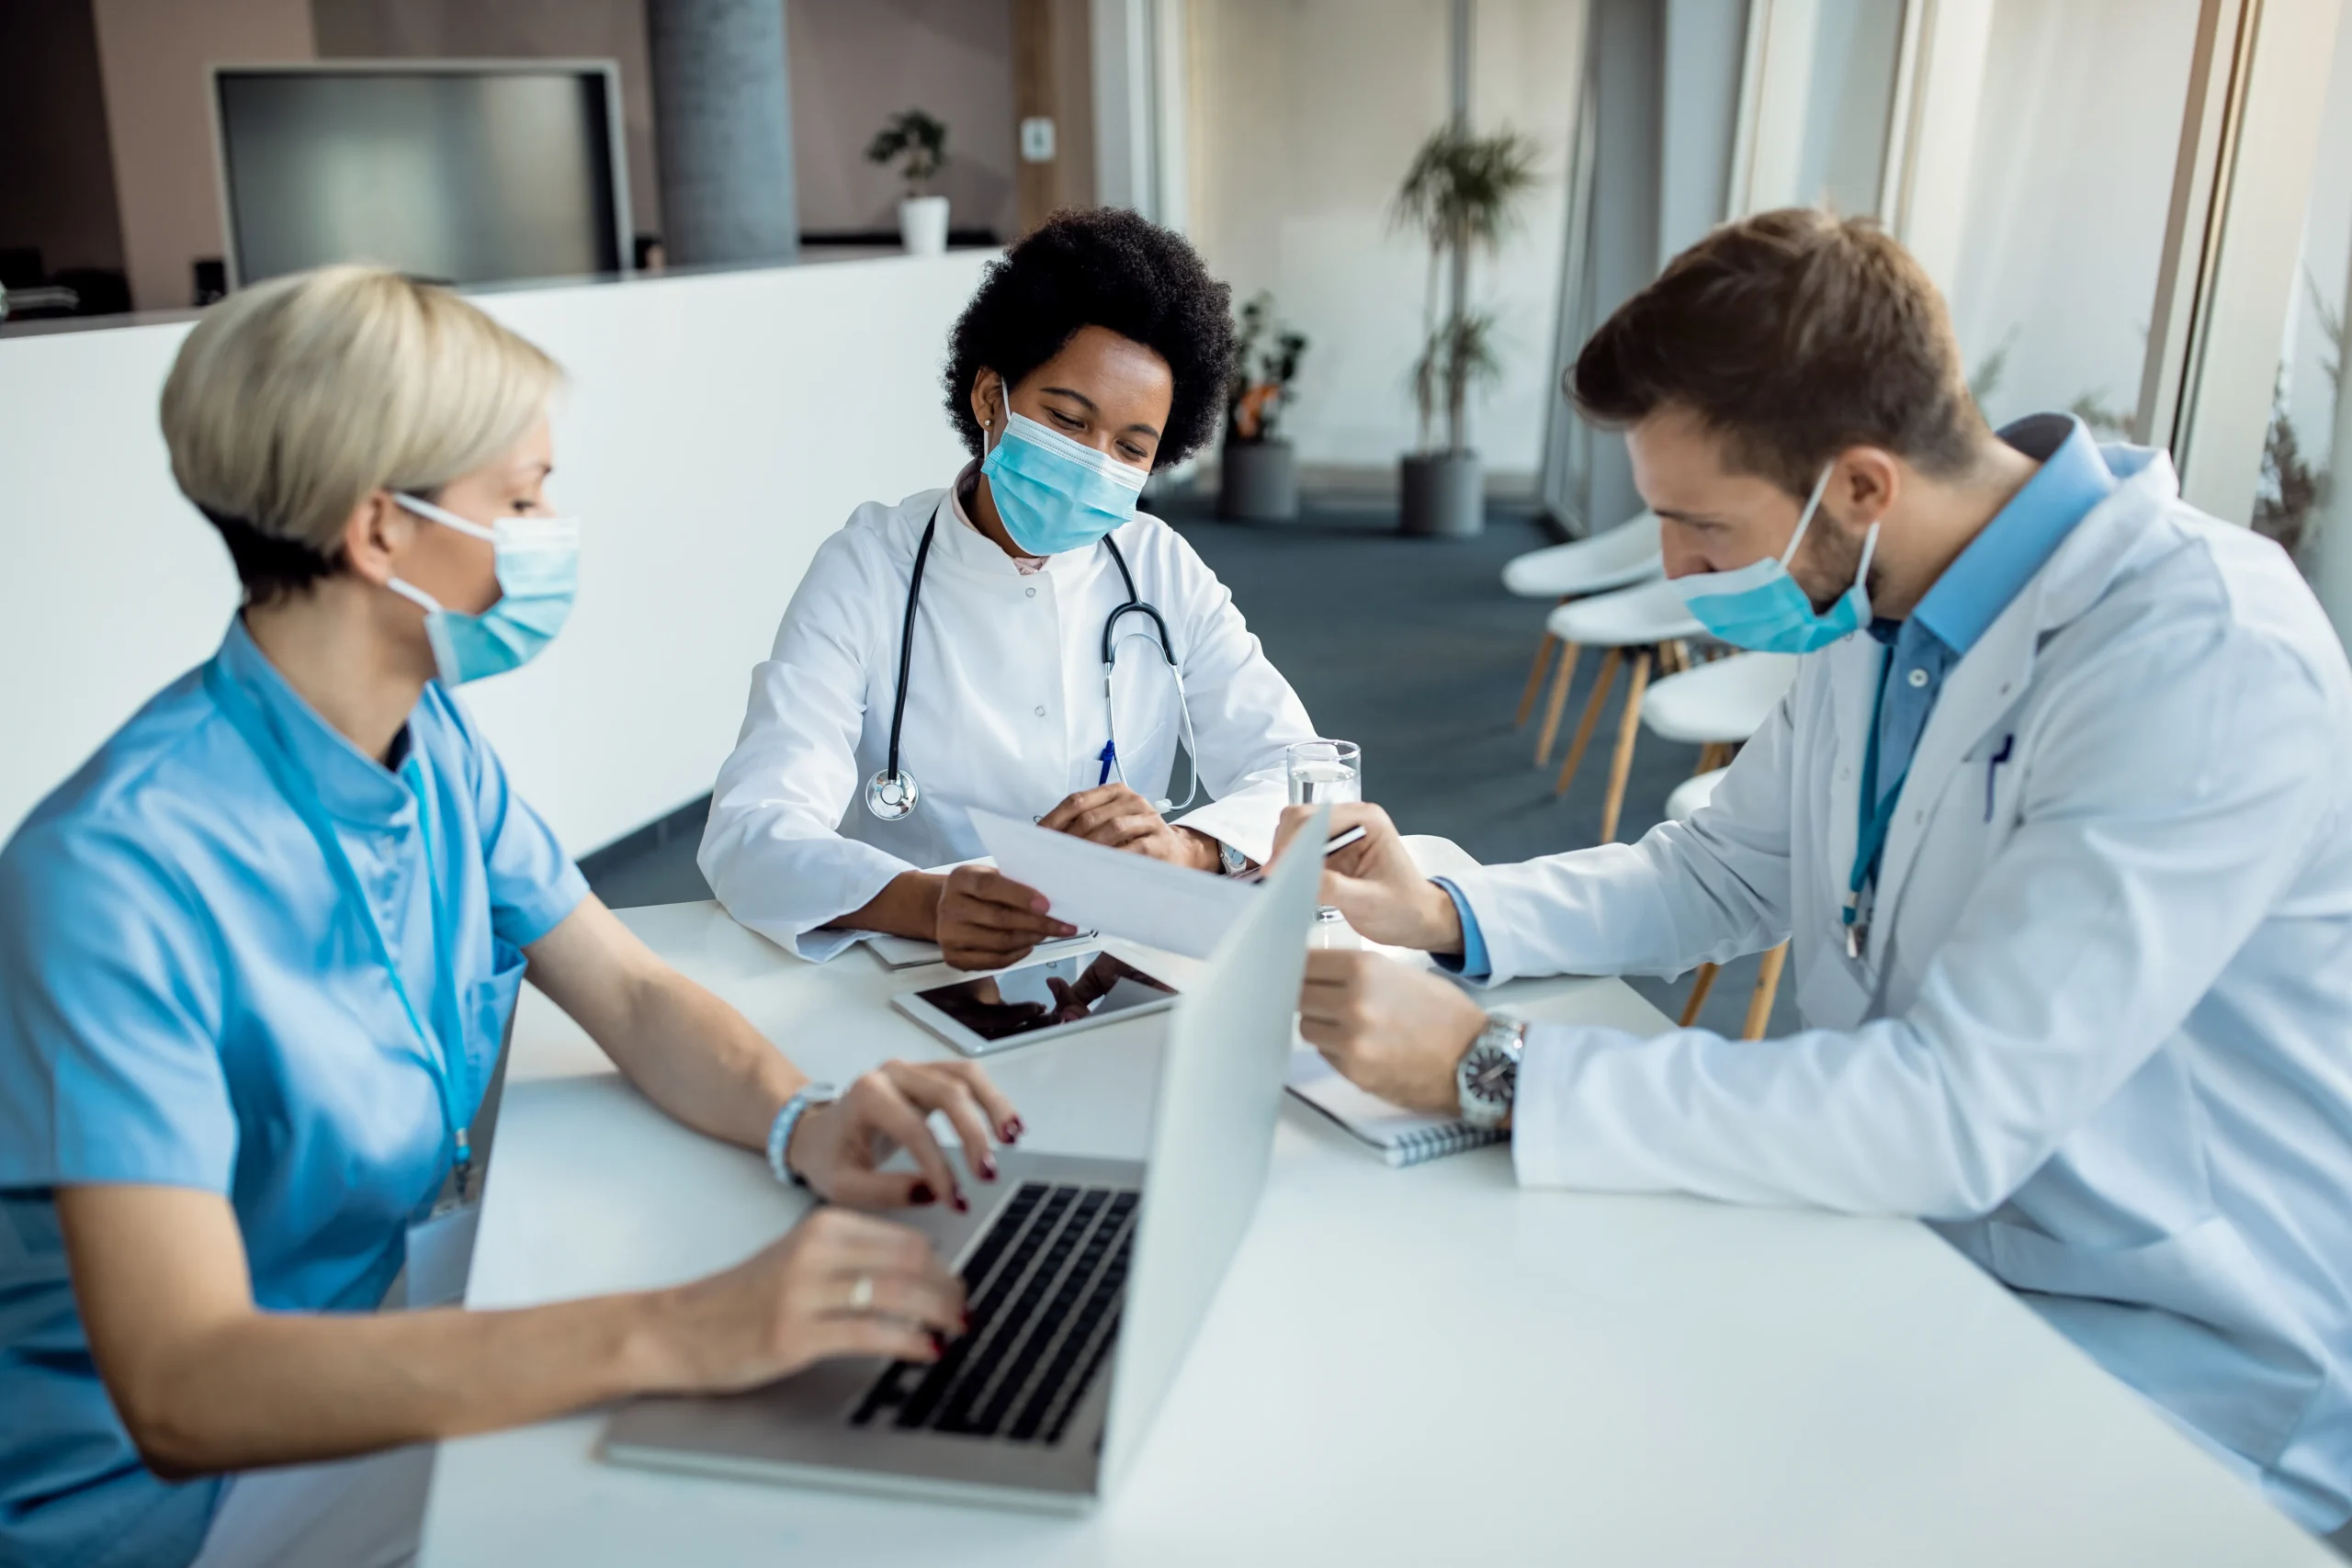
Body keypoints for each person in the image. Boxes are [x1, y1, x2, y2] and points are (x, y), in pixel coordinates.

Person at [1280, 209, 2352, 1537]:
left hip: (2165, 1346)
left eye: (1700, 527)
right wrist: (1444, 907)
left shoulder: (2201, 654)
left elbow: (1956, 1107)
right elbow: (1730, 866)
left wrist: (1490, 1068)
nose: (1676, 571)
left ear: (1859, 484)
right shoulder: (1882, 600)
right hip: (1923, 1241)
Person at [0, 266, 1020, 1568]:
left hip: (375, 1314)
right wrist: (674, 1328)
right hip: (163, 1497)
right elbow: (186, 1385)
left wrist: (802, 1116)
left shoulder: (426, 743)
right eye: (523, 497)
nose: (555, 528)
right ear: (379, 532)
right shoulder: (115, 872)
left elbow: (634, 994)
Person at [699, 208, 1317, 970]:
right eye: (1066, 419)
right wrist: (927, 902)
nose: (1096, 462)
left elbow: (1304, 775)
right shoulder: (868, 566)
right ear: (990, 398)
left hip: (1122, 960)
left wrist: (1185, 848)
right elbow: (753, 827)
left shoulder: (1158, 565)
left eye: (1131, 447)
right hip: (918, 965)